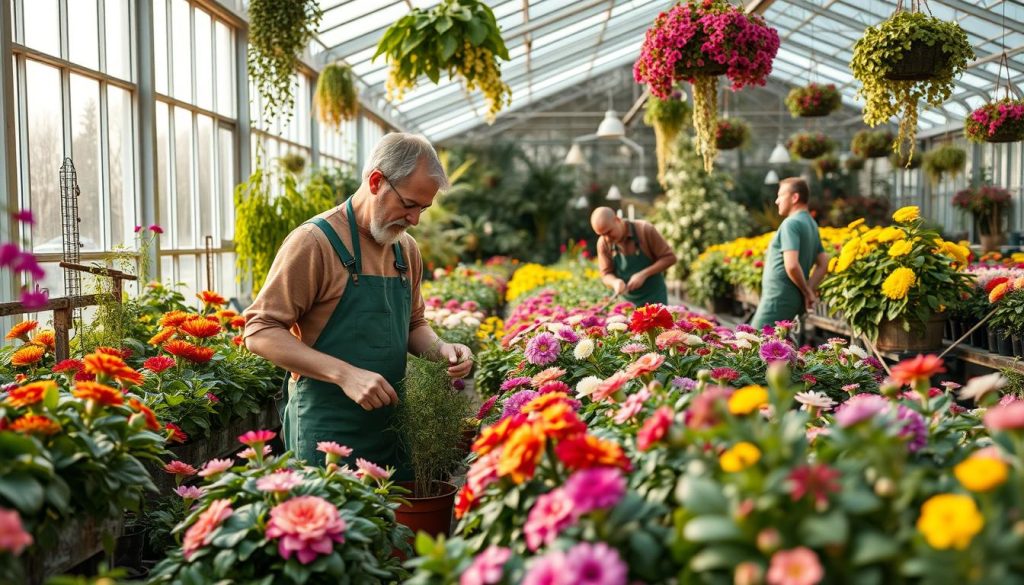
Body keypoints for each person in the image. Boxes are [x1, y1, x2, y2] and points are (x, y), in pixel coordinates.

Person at [243, 133, 473, 480]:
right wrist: (345, 374)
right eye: (409, 204)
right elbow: (260, 331)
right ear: (377, 181)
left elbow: (413, 324)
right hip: (327, 434)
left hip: (391, 429)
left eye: (423, 209)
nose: (415, 220)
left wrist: (442, 350)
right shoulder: (314, 242)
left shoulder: (405, 249)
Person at [751, 177, 830, 329]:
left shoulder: (791, 223)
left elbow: (792, 265)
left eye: (780, 195)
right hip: (790, 300)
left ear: (795, 197)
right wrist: (809, 290)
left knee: (750, 342)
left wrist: (807, 292)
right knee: (776, 347)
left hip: (778, 299)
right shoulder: (811, 223)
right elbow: (823, 263)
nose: (776, 201)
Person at [590, 206, 677, 306]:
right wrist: (615, 282)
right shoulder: (603, 243)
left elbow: (670, 258)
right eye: (602, 234)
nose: (607, 238)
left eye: (609, 232)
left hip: (654, 297)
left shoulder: (644, 230)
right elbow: (605, 274)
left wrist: (643, 274)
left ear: (617, 220)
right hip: (627, 303)